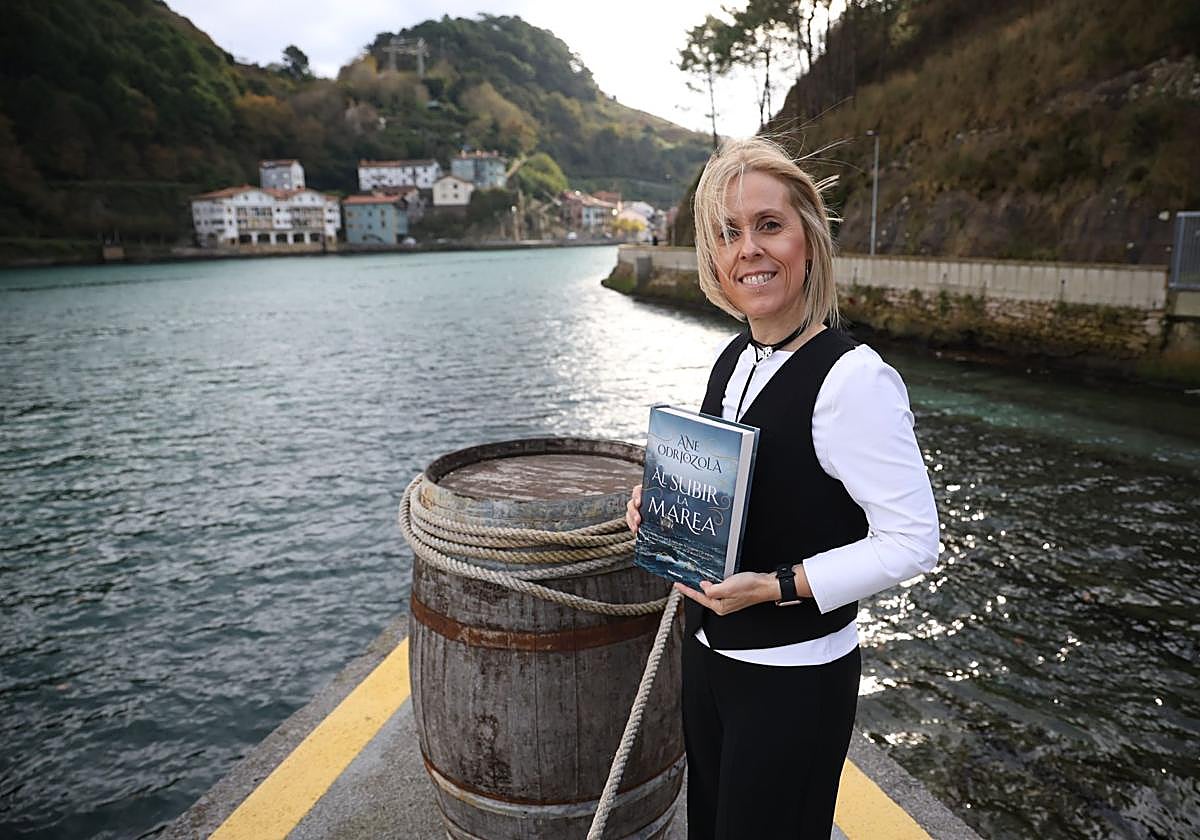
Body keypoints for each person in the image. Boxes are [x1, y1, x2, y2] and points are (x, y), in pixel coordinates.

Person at [625, 137, 939, 839]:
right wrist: (662, 510)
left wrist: (777, 586)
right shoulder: (735, 357)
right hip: (709, 663)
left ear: (808, 239)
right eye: (728, 233)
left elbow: (915, 541)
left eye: (769, 225)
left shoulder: (855, 380)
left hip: (794, 679)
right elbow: (741, 494)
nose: (749, 250)